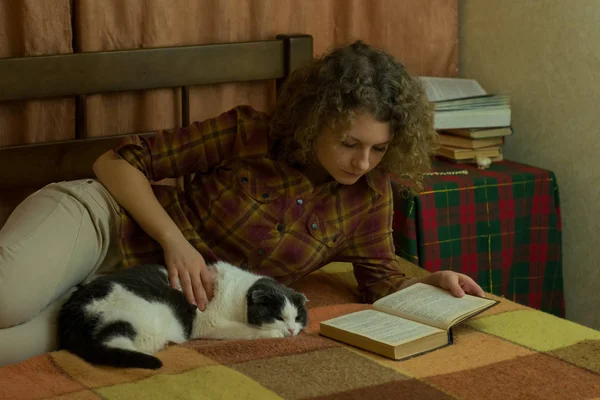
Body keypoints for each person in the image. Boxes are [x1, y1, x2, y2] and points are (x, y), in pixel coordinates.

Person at [0, 40, 484, 366]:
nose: (363, 162)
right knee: (7, 299)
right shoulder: (250, 134)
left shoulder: (369, 197)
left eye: (378, 149)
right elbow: (116, 163)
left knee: (16, 346)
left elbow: (380, 283)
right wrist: (175, 242)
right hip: (104, 219)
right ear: (316, 121)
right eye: (349, 143)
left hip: (138, 297)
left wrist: (429, 282)